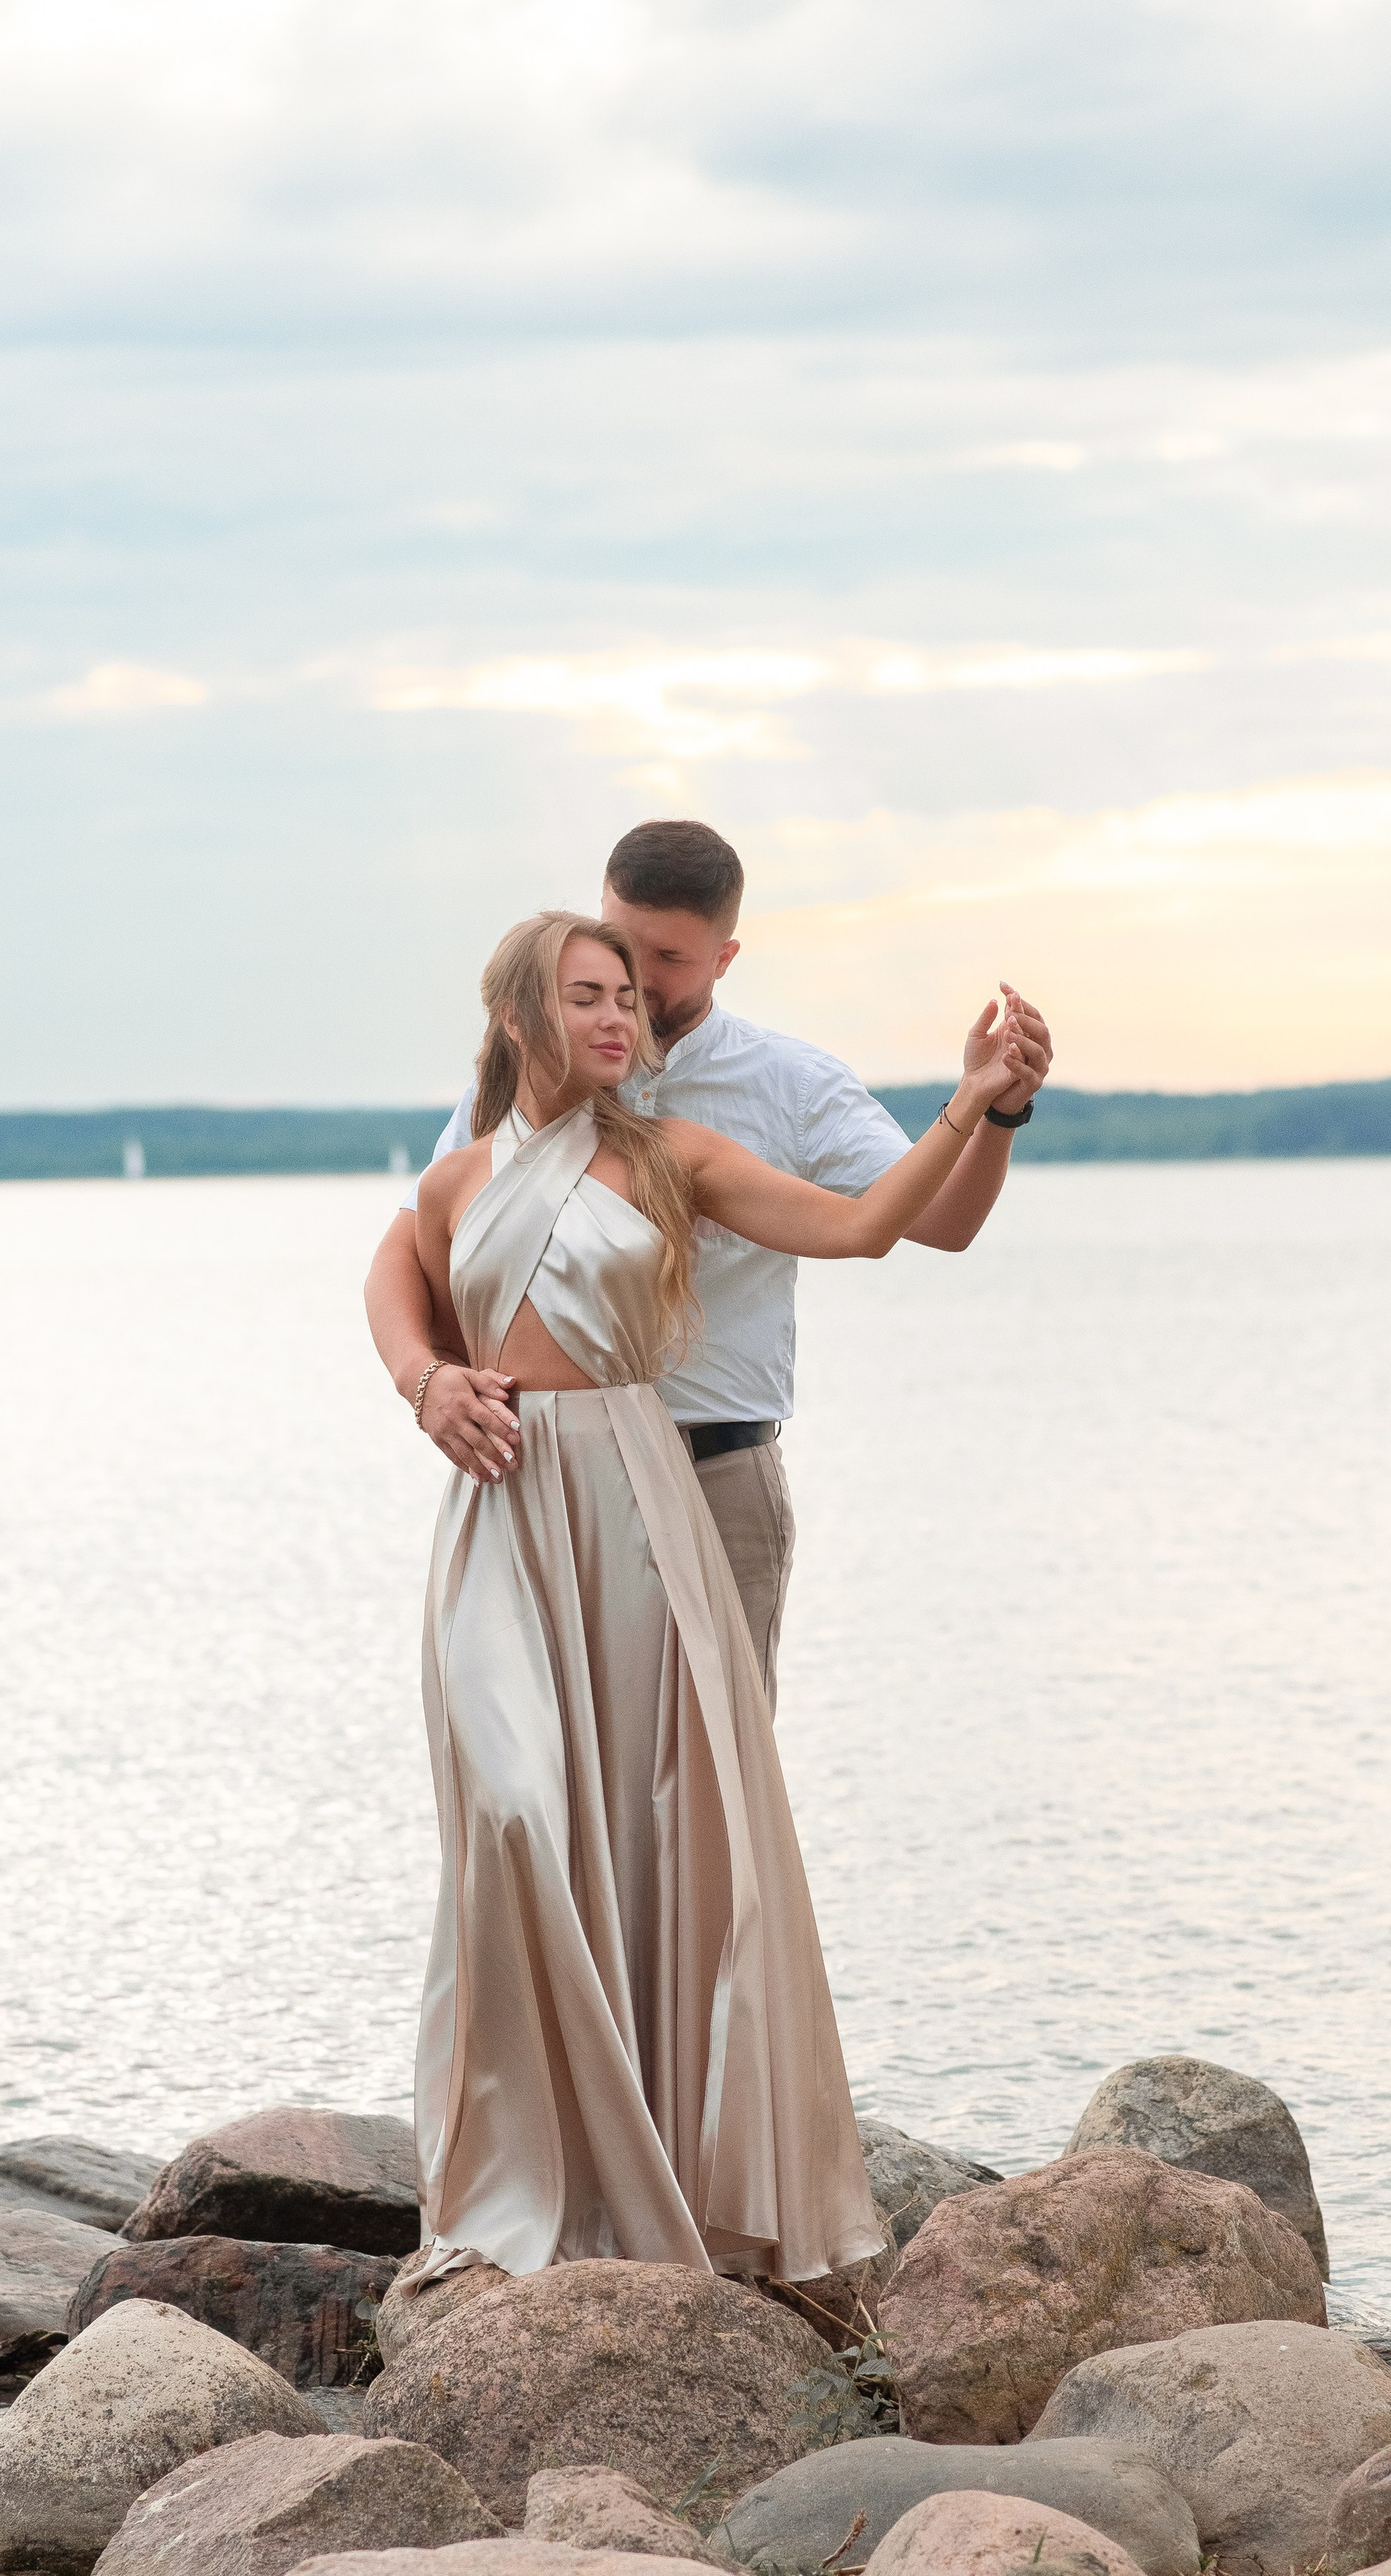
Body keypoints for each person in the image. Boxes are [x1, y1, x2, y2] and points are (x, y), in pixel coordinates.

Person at [397, 907, 1036, 2288]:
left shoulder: (673, 1155)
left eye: (629, 993)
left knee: (662, 1828)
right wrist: (426, 1380)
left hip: (639, 1500)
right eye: (588, 996)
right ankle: (520, 2173)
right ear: (520, 1019)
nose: (619, 1017)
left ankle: (665, 2176)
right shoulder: (459, 1177)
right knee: (512, 1806)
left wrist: (973, 1108)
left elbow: (867, 1228)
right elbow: (396, 1278)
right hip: (504, 1515)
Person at [366, 819, 1051, 1703]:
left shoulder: (791, 1086)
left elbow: (927, 1223)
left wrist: (992, 1113)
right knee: (535, 1772)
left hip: (713, 1475)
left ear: (725, 958)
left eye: (667, 960)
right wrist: (425, 1381)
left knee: (705, 1784)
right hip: (537, 1488)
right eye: (617, 951)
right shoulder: (503, 1103)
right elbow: (408, 1255)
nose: (635, 987)